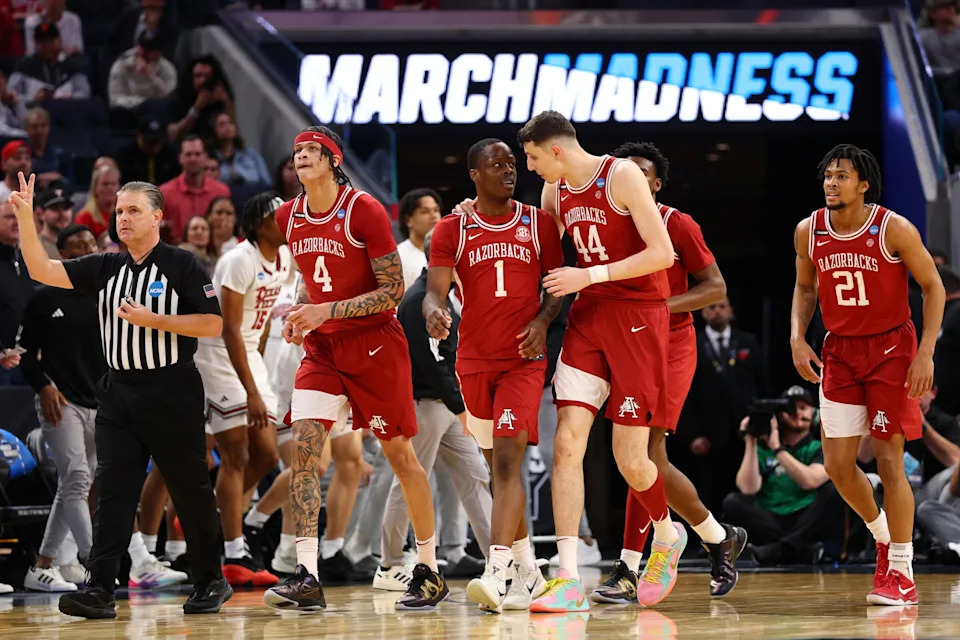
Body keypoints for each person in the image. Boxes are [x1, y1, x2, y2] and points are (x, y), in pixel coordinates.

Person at [8, 173, 231, 618]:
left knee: (189, 490)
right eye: (119, 210)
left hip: (171, 389)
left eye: (132, 210)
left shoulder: (182, 264)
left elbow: (212, 324)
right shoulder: (105, 265)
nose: (122, 217)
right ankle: (101, 588)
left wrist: (156, 320)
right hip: (117, 391)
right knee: (112, 491)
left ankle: (211, 579)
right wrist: (26, 219)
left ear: (157, 217)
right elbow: (42, 269)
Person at [263, 126, 446, 612]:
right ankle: (306, 574)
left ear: (331, 160)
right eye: (296, 151)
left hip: (373, 345)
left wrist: (326, 310)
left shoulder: (361, 209)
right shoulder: (288, 215)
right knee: (304, 454)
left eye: (310, 152)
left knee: (402, 459)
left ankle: (427, 569)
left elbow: (390, 292)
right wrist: (303, 315)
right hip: (323, 350)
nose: (300, 157)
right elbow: (308, 277)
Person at [517, 110, 678, 613]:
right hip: (590, 321)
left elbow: (663, 254)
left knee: (631, 458)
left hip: (638, 318)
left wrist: (589, 276)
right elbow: (534, 245)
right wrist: (474, 213)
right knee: (567, 442)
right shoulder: (554, 192)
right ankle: (567, 576)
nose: (531, 167)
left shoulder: (622, 175)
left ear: (557, 150)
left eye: (534, 157)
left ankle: (667, 536)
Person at [591, 142, 745, 605]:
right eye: (625, 171)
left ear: (655, 184)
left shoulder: (677, 223)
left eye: (642, 173)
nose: (632, 178)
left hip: (669, 341)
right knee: (633, 458)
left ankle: (629, 567)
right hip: (623, 339)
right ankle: (718, 537)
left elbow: (715, 286)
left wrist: (656, 309)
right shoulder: (605, 221)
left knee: (647, 453)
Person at [790, 144, 945, 605]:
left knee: (888, 460)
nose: (831, 183)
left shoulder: (893, 228)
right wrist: (798, 337)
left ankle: (901, 567)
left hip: (892, 351)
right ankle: (882, 537)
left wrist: (926, 353)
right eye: (827, 176)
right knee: (838, 467)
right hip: (840, 352)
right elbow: (803, 287)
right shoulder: (809, 230)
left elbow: (932, 287)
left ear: (863, 185)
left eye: (841, 176)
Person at [425, 138, 561, 612]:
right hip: (473, 363)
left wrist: (543, 323)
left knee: (506, 464)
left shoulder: (539, 223)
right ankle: (530, 570)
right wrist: (434, 313)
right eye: (496, 165)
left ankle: (497, 569)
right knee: (494, 472)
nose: (508, 171)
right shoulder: (452, 228)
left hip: (523, 360)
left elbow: (558, 285)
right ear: (474, 175)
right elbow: (434, 292)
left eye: (511, 164)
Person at [383, 227, 490, 592]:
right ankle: (390, 563)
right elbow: (431, 365)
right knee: (410, 482)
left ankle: (502, 558)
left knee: (476, 474)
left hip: (447, 404)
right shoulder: (417, 301)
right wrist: (463, 408)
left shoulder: (452, 295)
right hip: (423, 405)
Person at [194, 192, 290, 587]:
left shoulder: (284, 259)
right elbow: (228, 328)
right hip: (218, 356)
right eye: (278, 215)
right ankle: (234, 550)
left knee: (267, 455)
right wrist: (251, 390)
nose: (286, 219)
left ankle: (225, 513)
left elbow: (261, 324)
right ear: (257, 225)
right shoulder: (238, 260)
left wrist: (259, 372)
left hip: (249, 355)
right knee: (235, 452)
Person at [20, 224, 102, 592]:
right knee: (77, 481)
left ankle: (42, 565)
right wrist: (44, 386)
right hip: (61, 401)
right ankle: (96, 563)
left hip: (100, 401)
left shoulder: (107, 296)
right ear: (63, 256)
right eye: (78, 248)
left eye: (92, 244)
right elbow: (25, 357)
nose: (88, 251)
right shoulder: (43, 297)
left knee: (74, 485)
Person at [724, 386, 843, 565]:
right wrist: (751, 439)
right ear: (780, 415)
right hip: (770, 518)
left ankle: (778, 550)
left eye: (803, 407)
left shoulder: (820, 447)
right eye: (791, 408)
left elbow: (810, 481)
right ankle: (800, 549)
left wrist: (778, 449)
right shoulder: (763, 449)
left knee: (835, 491)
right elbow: (748, 489)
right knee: (733, 502)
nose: (797, 413)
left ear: (815, 413)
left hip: (805, 516)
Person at [680, 296, 767, 516]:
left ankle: (748, 537)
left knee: (748, 485)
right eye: (712, 307)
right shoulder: (692, 345)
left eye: (722, 306)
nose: (717, 311)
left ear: (731, 310)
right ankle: (711, 541)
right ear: (703, 312)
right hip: (708, 433)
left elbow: (762, 385)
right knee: (709, 488)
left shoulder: (747, 341)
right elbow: (685, 394)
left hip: (745, 430)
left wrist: (762, 425)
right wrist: (693, 434)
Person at [158, 135, 231, 241]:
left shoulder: (222, 191)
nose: (193, 159)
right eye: (188, 154)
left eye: (197, 154)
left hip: (214, 254)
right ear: (180, 158)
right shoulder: (164, 193)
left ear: (205, 157)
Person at [8, 21, 90, 103]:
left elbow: (84, 92)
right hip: (33, 112)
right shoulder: (25, 65)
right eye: (42, 42)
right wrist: (33, 99)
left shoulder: (71, 64)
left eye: (51, 41)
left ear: (60, 41)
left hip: (67, 110)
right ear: (35, 44)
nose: (47, 46)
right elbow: (11, 94)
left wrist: (69, 98)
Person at [0, 200, 33, 385]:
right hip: (2, 361)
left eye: (18, 217)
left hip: (25, 357)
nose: (15, 222)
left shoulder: (25, 259)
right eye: (8, 217)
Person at [211, 112, 271, 189]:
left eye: (230, 123)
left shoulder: (251, 154)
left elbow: (267, 182)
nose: (227, 127)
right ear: (214, 130)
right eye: (222, 124)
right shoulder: (211, 158)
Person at [396, 187, 442, 290]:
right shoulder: (398, 258)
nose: (434, 215)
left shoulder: (446, 254)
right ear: (408, 220)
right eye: (425, 211)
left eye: (436, 210)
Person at [75, 164, 121, 248]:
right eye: (105, 184)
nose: (110, 188)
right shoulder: (85, 217)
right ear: (95, 188)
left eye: (114, 184)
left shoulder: (125, 214)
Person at [24, 107, 67, 189]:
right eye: (35, 126)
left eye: (43, 125)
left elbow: (70, 182)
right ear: (27, 128)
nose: (39, 130)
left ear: (48, 127)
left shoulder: (59, 154)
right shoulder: (21, 154)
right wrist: (39, 177)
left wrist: (59, 177)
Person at [35, 185, 73, 260]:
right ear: (41, 214)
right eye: (55, 208)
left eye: (66, 208)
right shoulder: (35, 246)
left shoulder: (80, 243)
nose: (62, 213)